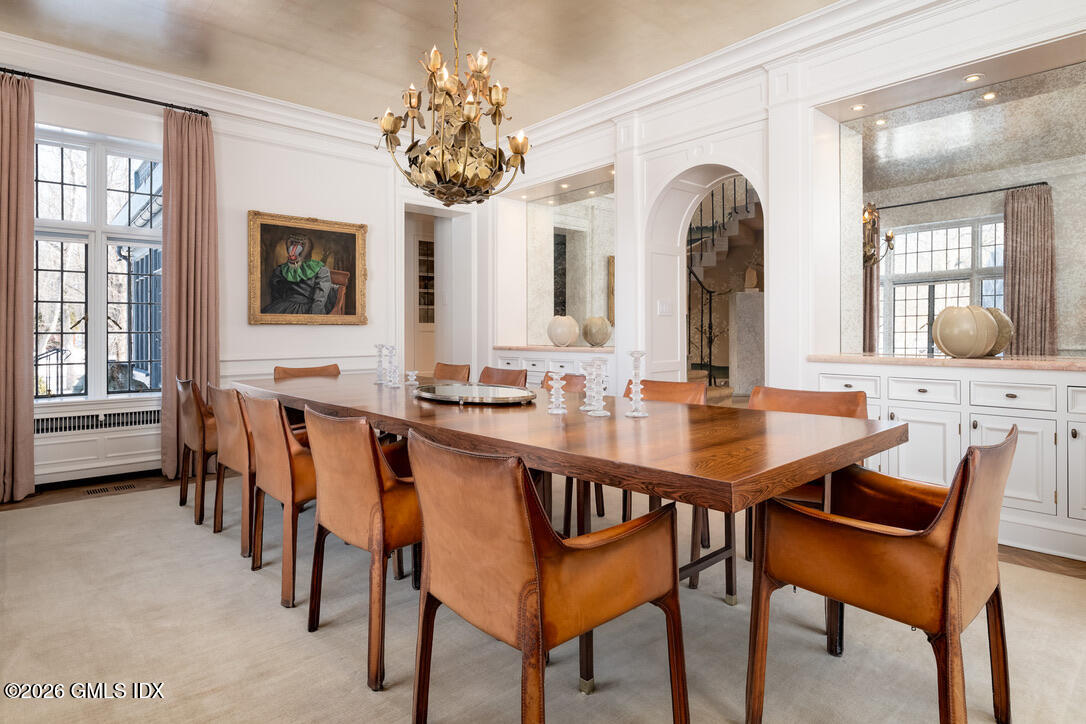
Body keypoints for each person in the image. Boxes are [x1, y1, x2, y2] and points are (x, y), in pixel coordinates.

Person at [262, 233, 337, 315]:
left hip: (308, 309)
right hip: (284, 306)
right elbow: (276, 295)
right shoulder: (281, 270)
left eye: (301, 244)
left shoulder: (320, 270)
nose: (294, 249)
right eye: (293, 244)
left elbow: (319, 301)